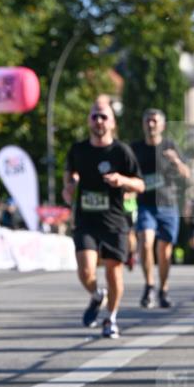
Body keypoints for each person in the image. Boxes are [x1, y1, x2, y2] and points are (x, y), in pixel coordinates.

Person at [63, 99, 144, 338]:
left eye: (103, 117)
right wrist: (69, 186)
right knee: (86, 270)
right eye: (95, 116)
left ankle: (111, 318)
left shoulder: (121, 151)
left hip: (114, 220)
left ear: (112, 122)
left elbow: (140, 184)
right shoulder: (78, 149)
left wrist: (122, 180)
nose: (98, 121)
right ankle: (97, 295)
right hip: (86, 219)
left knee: (113, 271)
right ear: (89, 120)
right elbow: (69, 175)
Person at [131, 109, 190, 308]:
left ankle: (163, 288)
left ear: (162, 125)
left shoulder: (170, 146)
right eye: (148, 120)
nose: (151, 124)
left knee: (164, 251)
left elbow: (186, 174)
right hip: (146, 204)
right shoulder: (135, 148)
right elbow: (126, 173)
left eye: (155, 121)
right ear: (142, 124)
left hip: (168, 204)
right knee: (145, 242)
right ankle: (149, 285)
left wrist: (176, 160)